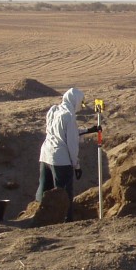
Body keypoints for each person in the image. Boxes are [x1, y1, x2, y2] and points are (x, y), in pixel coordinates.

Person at [36, 87, 97, 220]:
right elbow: (72, 144)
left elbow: (59, 132)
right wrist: (76, 165)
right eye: (80, 103)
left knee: (44, 190)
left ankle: (39, 217)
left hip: (45, 154)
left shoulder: (54, 110)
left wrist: (87, 130)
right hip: (60, 160)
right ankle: (66, 220)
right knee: (63, 194)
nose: (80, 106)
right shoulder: (69, 116)